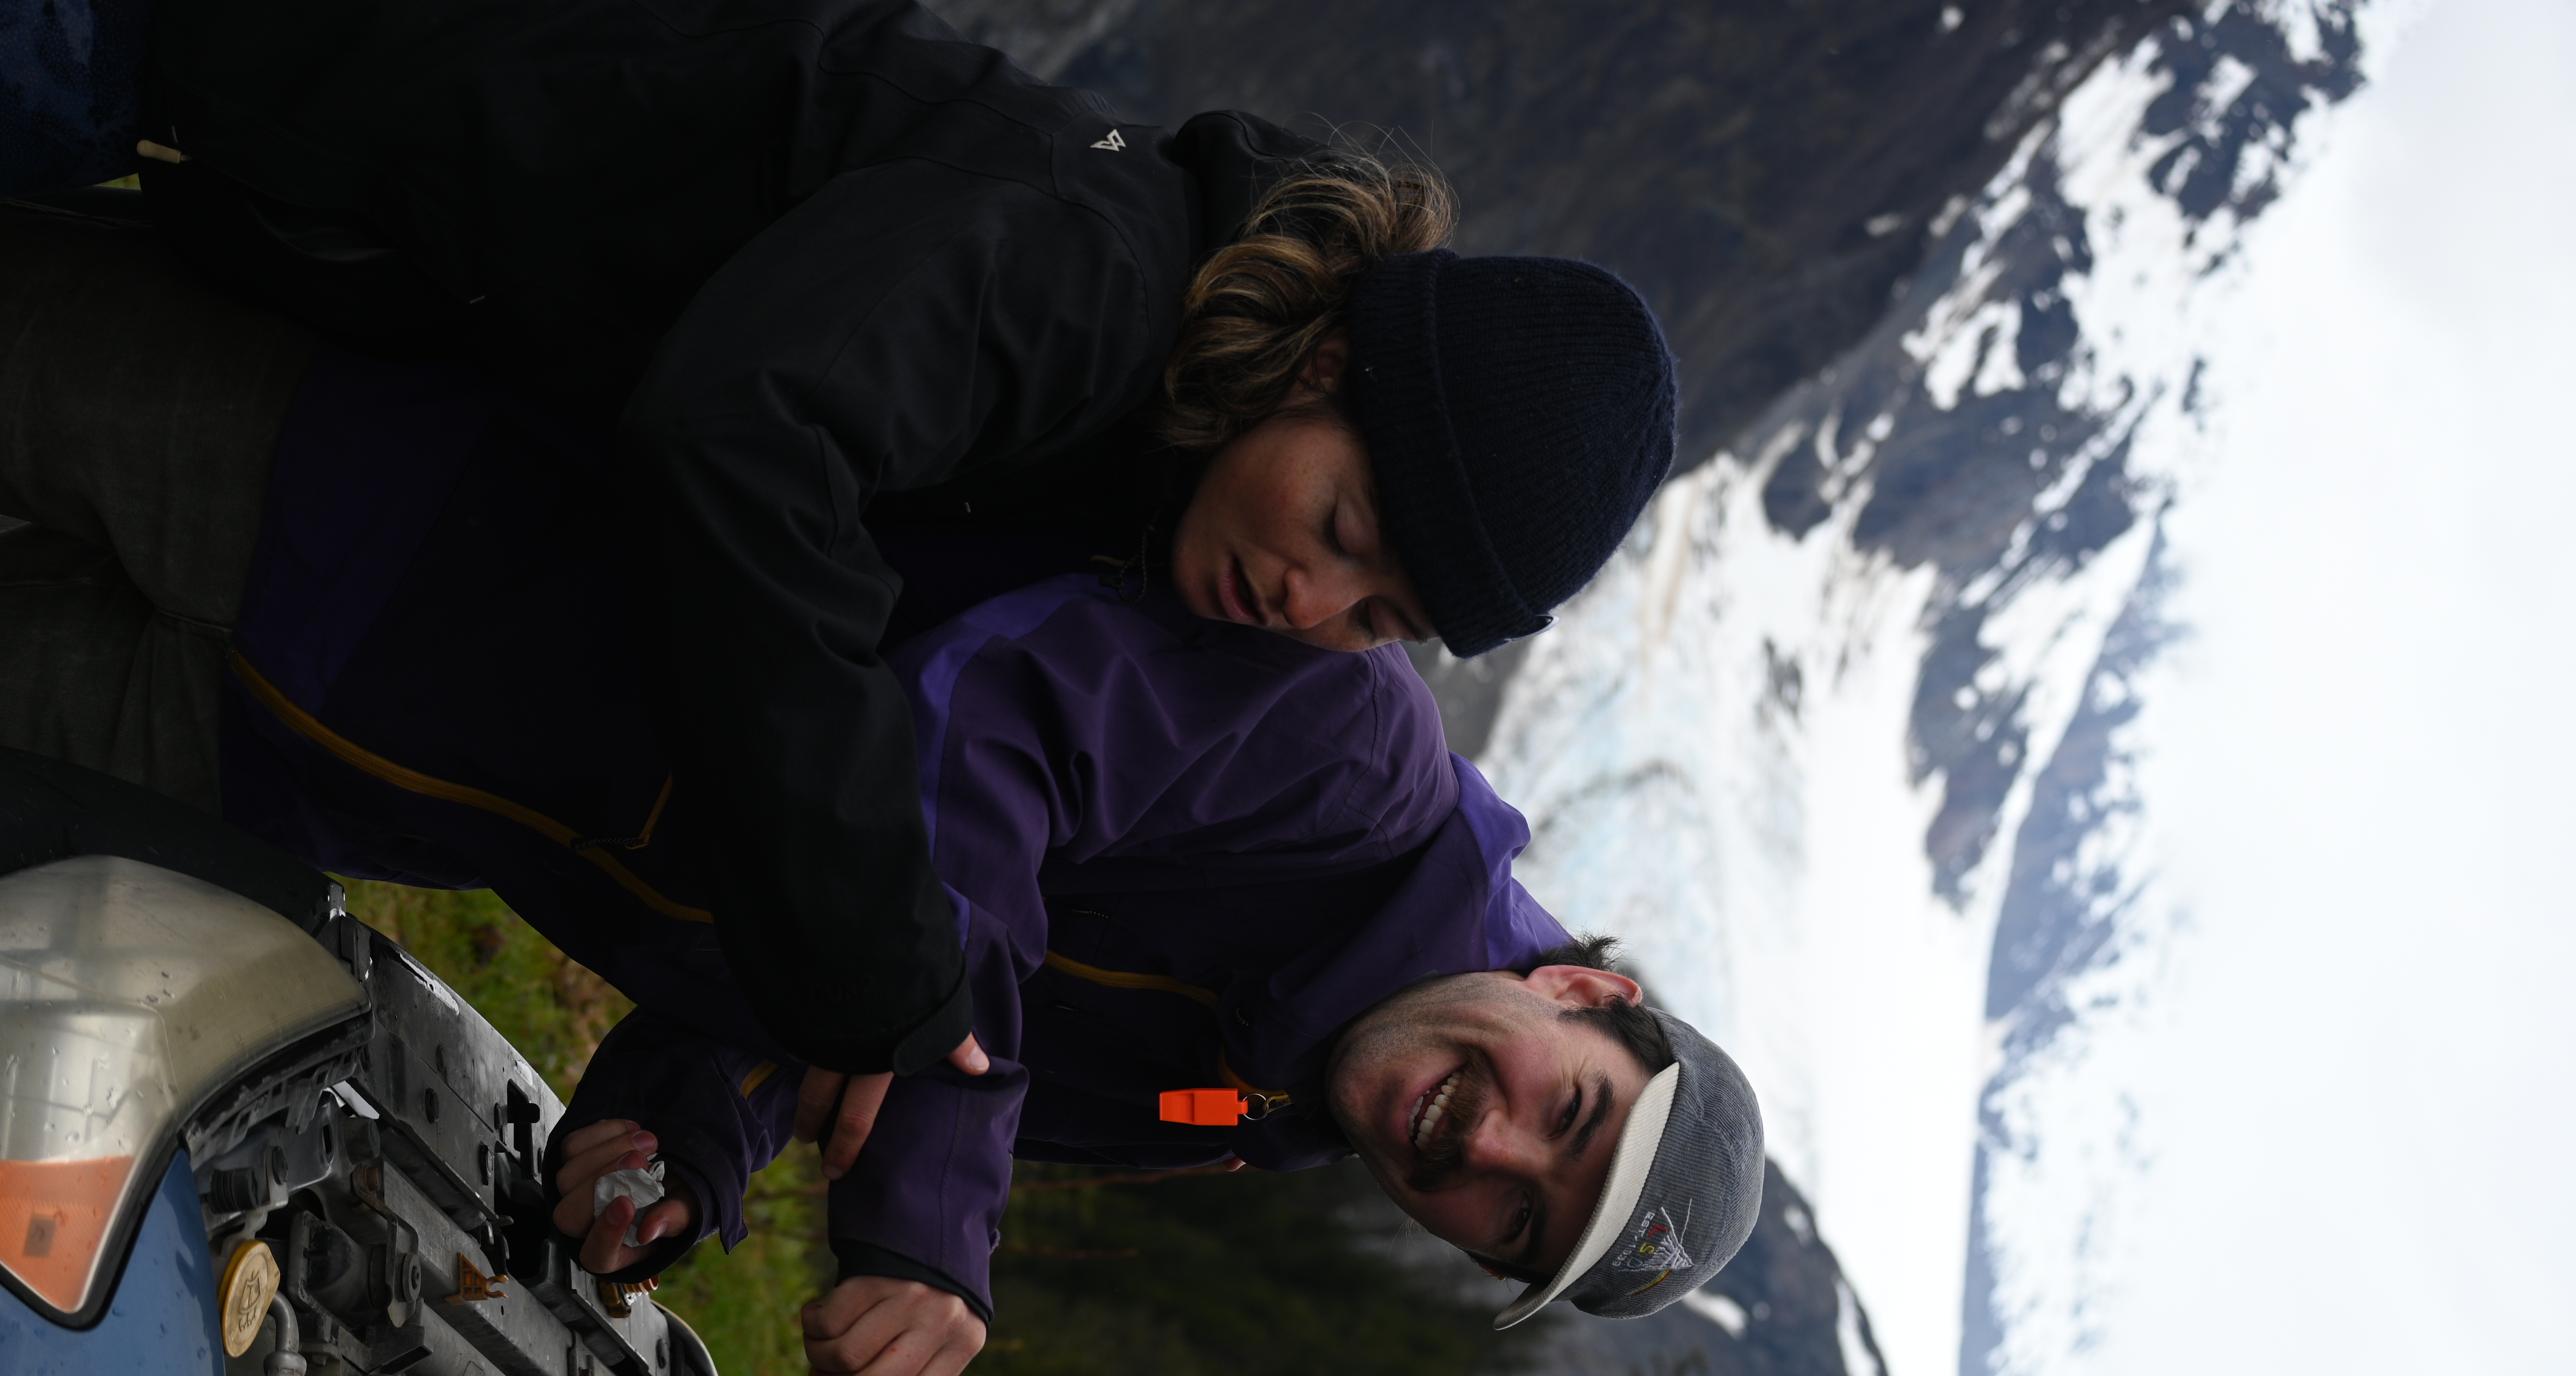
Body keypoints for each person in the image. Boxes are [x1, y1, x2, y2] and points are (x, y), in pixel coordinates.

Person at [119, 0, 1684, 1163]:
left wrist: (700, 1121)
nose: (1314, 613)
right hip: (297, 201)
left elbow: (949, 987)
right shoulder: (1107, 287)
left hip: (367, 658)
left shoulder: (1252, 1093)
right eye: (1345, 533)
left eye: (1384, 623)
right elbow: (925, 694)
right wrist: (903, 1068)